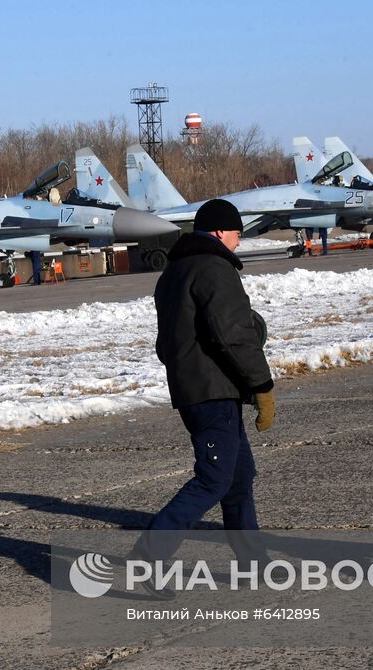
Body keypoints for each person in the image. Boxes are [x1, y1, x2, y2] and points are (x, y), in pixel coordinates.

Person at [134, 199, 275, 576]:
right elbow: (234, 336)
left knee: (239, 477)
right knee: (213, 479)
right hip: (212, 393)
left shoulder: (174, 273)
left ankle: (254, 563)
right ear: (218, 232)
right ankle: (149, 556)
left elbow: (168, 344)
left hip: (196, 390)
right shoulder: (215, 269)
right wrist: (262, 386)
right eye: (237, 234)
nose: (239, 243)